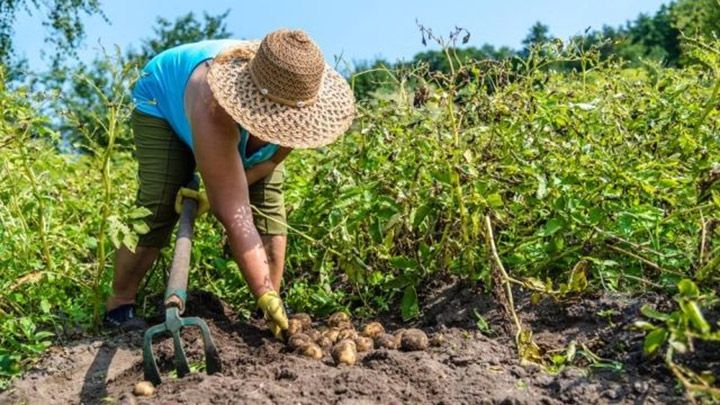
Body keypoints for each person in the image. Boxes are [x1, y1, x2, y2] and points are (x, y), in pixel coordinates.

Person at [103, 29, 356, 338]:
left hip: (228, 114)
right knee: (159, 202)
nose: (282, 125)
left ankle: (268, 311)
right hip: (164, 101)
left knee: (268, 208)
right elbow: (236, 218)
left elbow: (269, 162)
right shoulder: (214, 105)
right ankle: (119, 305)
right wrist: (223, 195)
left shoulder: (301, 107)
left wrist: (222, 188)